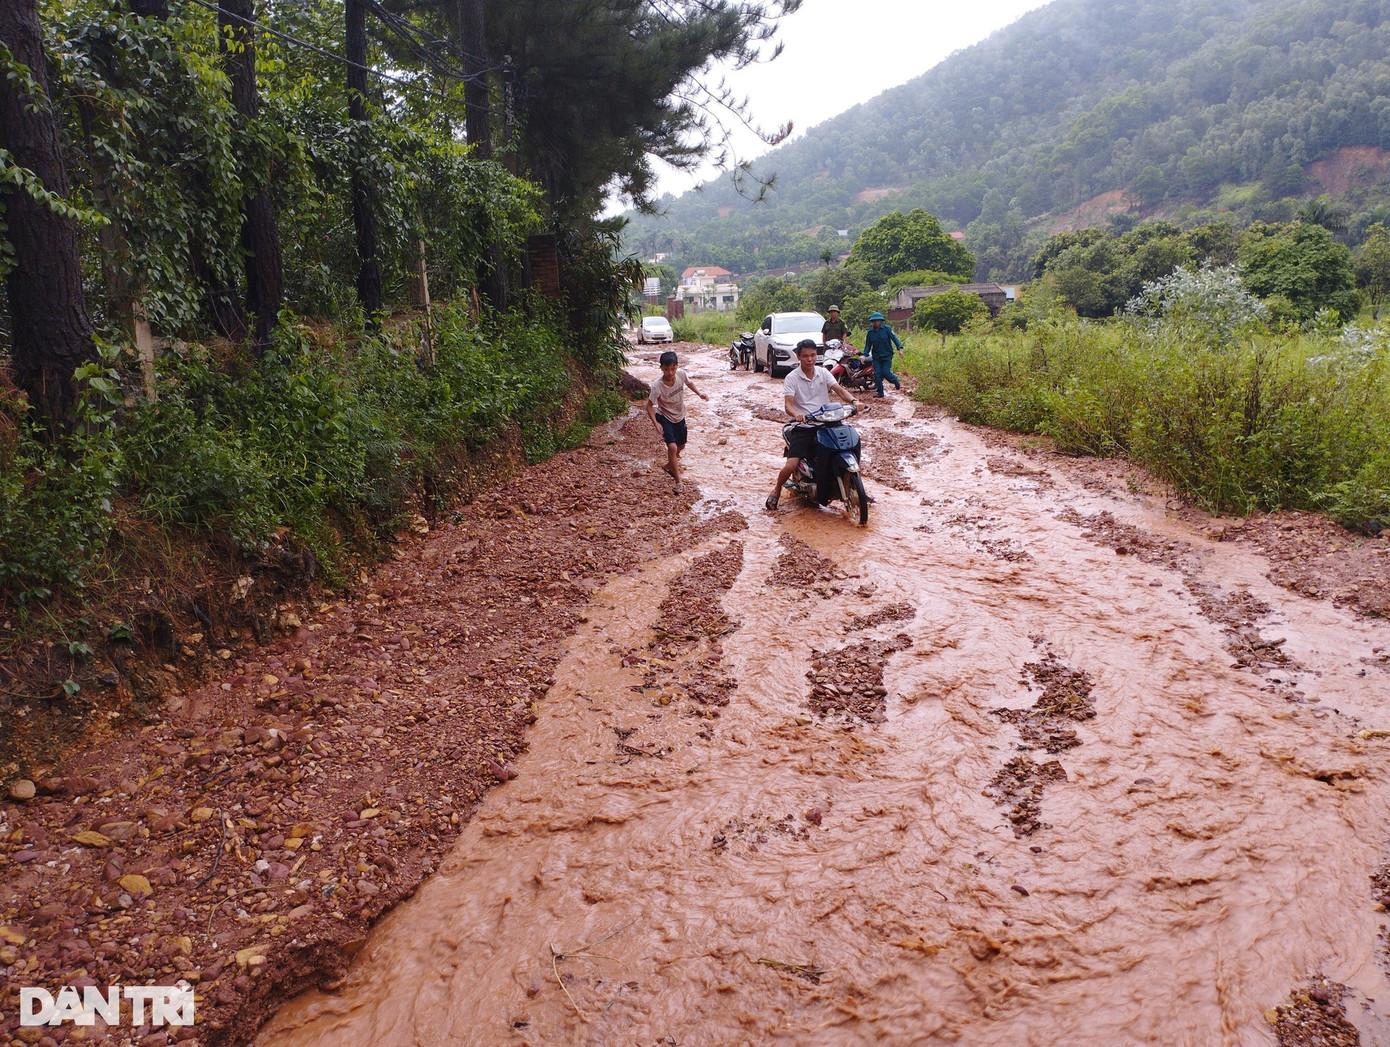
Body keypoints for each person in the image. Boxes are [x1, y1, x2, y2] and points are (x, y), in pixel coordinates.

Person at [766, 339, 856, 511]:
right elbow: (788, 405)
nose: (810, 359)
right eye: (805, 356)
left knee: (847, 445)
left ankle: (854, 486)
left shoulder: (823, 373)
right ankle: (777, 490)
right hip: (804, 426)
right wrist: (797, 415)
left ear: (817, 355)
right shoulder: (792, 378)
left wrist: (854, 400)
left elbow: (839, 390)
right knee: (791, 465)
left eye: (813, 355)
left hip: (827, 422)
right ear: (798, 356)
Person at [644, 350, 706, 493]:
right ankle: (678, 482)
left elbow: (689, 383)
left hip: (680, 415)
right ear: (661, 369)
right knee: (672, 447)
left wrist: (699, 393)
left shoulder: (681, 374)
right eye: (666, 369)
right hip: (664, 417)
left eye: (673, 369)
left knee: (682, 445)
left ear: (677, 366)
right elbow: (648, 406)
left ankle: (669, 465)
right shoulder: (657, 386)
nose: (670, 373)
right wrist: (656, 423)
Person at [863, 311, 903, 398]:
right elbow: (868, 345)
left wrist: (900, 348)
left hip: (887, 355)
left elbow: (894, 338)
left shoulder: (887, 329)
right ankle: (880, 392)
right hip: (876, 356)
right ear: (873, 322)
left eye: (878, 321)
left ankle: (895, 380)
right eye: (874, 321)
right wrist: (864, 355)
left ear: (881, 321)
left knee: (885, 372)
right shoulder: (870, 333)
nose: (876, 322)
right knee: (877, 374)